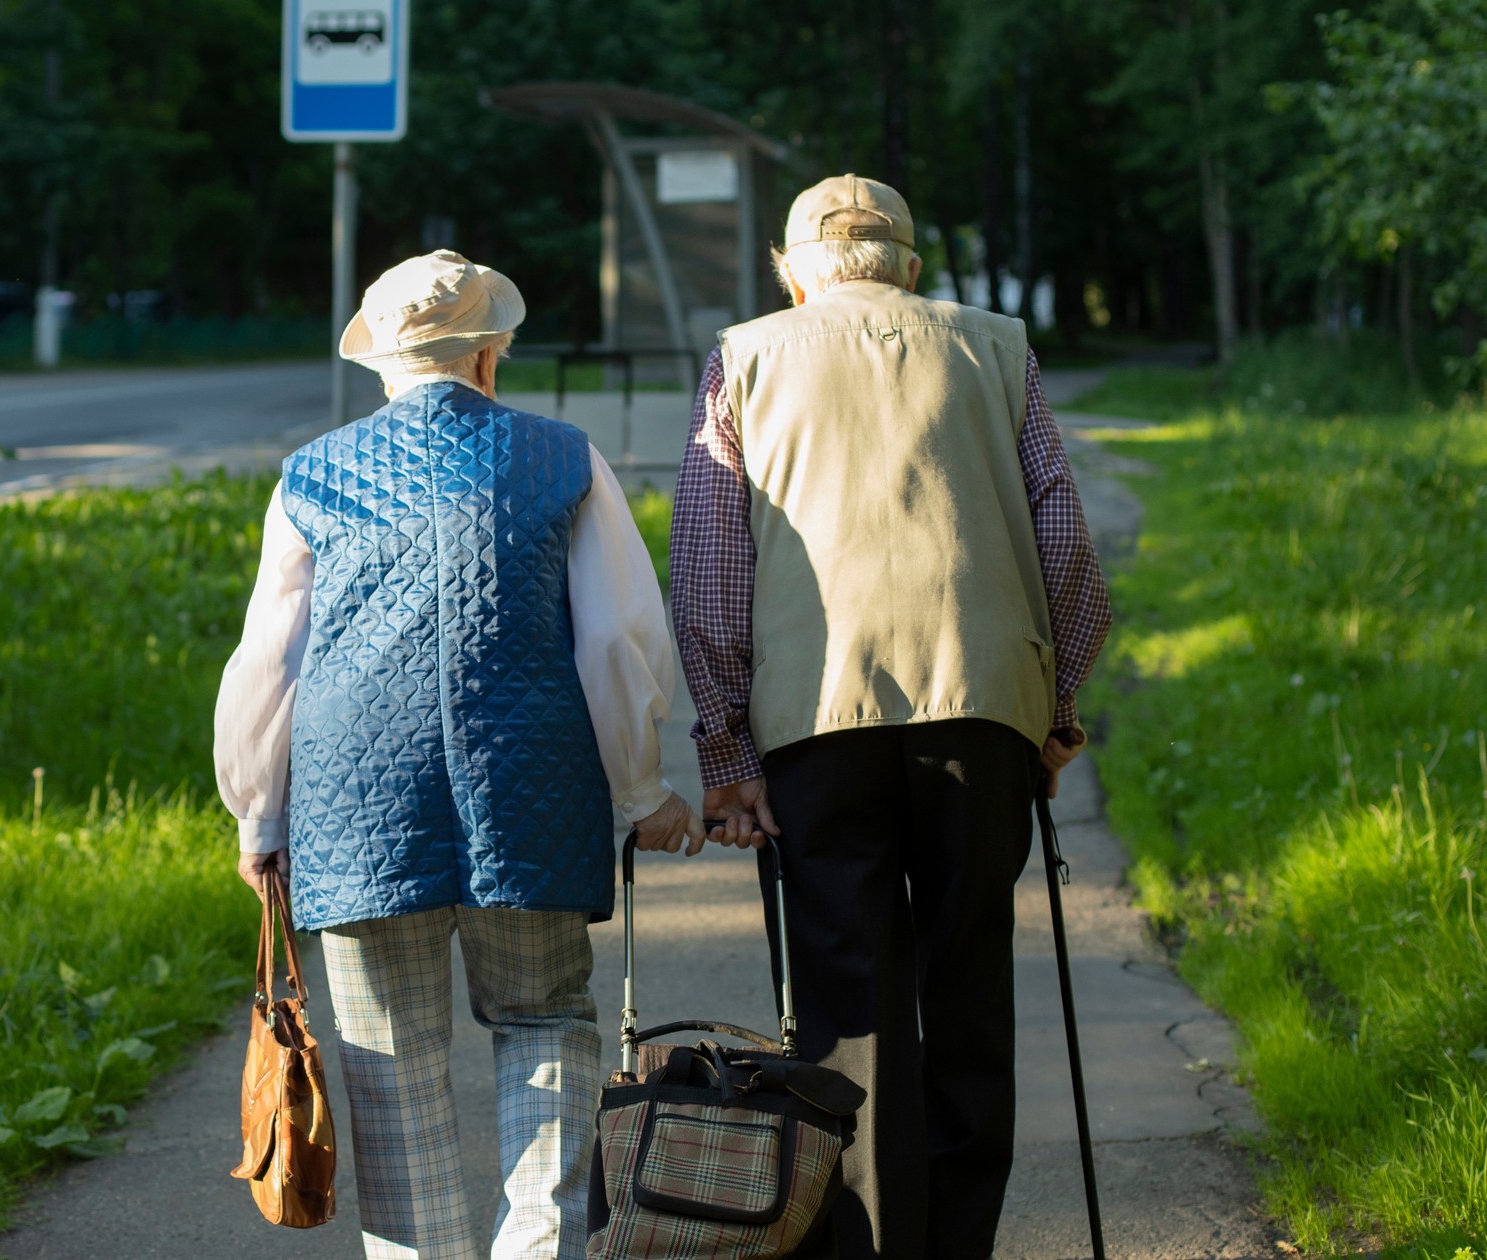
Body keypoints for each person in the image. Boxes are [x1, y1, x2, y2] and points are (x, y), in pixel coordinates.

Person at [214, 249, 703, 1260]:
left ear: (381, 365)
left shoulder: (312, 474)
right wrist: (642, 790)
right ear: (490, 356)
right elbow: (614, 640)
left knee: (389, 1063)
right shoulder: (561, 456)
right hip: (526, 792)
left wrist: (259, 816)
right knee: (545, 1023)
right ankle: (536, 1250)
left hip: (356, 808)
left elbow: (269, 660)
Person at [671, 175, 1112, 1259]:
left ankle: (866, 1250)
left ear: (794, 270)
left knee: (848, 1015)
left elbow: (710, 569)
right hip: (983, 714)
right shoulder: (996, 347)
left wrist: (727, 748)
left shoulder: (748, 355)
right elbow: (1069, 557)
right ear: (911, 267)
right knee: (969, 997)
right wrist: (1053, 713)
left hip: (815, 727)